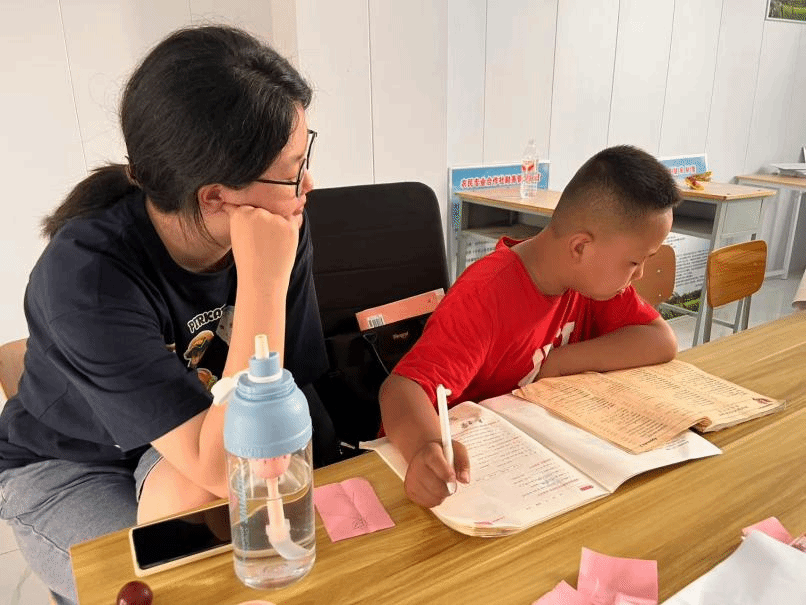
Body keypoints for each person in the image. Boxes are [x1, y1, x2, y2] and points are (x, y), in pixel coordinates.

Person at [0, 25, 338, 605]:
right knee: (171, 584)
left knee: (238, 532)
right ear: (215, 197)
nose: (307, 183)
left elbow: (288, 395)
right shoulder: (85, 278)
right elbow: (227, 461)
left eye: (304, 156)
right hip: (69, 463)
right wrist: (262, 280)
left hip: (193, 433)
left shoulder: (280, 220)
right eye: (291, 170)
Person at [379, 145, 681, 509]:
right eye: (634, 262)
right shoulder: (487, 296)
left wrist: (561, 361)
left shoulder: (592, 282)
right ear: (580, 247)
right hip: (446, 477)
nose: (640, 274)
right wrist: (425, 448)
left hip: (533, 460)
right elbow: (399, 390)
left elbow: (661, 340)